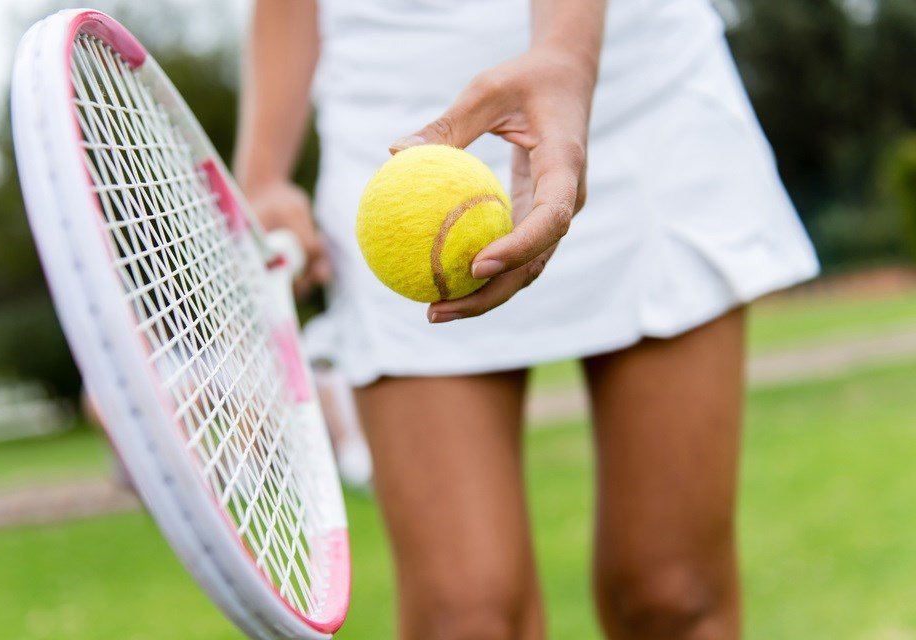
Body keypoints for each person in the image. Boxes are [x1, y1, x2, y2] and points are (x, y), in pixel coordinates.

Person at [234, 1, 819, 638]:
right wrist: (261, 173)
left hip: (635, 85)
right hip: (396, 133)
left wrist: (565, 56)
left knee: (674, 594)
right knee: (465, 618)